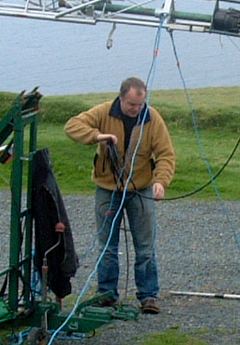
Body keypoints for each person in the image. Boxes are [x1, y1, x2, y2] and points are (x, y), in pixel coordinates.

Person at [64, 77, 176, 313]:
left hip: (141, 190)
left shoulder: (152, 118)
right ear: (121, 98)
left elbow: (166, 154)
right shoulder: (104, 111)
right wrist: (97, 137)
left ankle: (148, 297)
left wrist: (161, 182)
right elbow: (72, 126)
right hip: (107, 189)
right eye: (131, 105)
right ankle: (106, 294)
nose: (136, 109)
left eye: (140, 104)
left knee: (145, 246)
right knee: (107, 246)